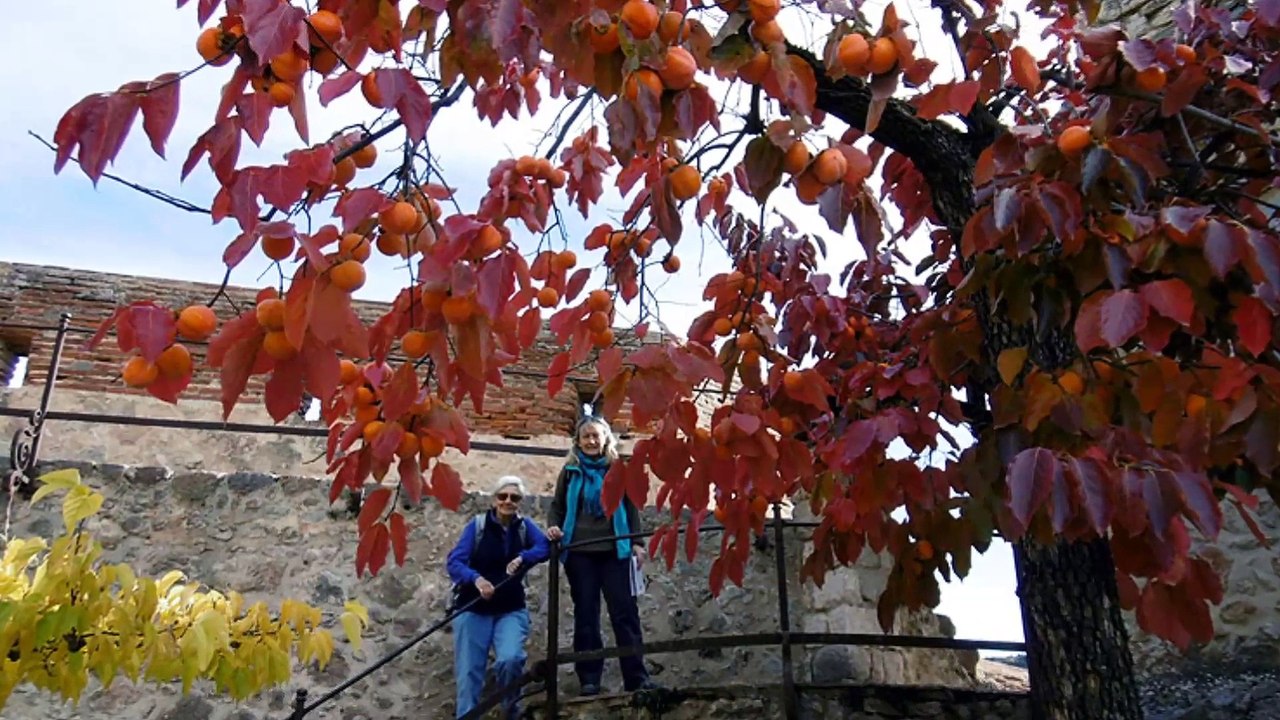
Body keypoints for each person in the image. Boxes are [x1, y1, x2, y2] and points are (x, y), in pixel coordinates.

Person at [546, 416, 659, 696]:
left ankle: (636, 678)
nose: (591, 441)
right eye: (586, 437)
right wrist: (553, 527)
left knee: (625, 614)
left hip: (615, 550)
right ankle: (589, 679)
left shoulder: (617, 469)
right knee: (586, 615)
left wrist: (637, 542)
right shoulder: (570, 471)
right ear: (578, 441)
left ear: (606, 439)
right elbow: (557, 506)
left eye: (596, 436)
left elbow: (631, 508)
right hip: (579, 553)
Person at [446, 475, 551, 720]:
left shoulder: (524, 527)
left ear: (520, 502)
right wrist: (476, 579)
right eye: (502, 496)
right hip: (473, 608)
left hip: (510, 609)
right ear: (494, 500)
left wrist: (524, 557)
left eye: (514, 498)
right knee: (469, 673)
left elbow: (545, 547)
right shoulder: (478, 526)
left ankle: (510, 712)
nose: (508, 501)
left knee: (511, 659)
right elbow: (455, 561)